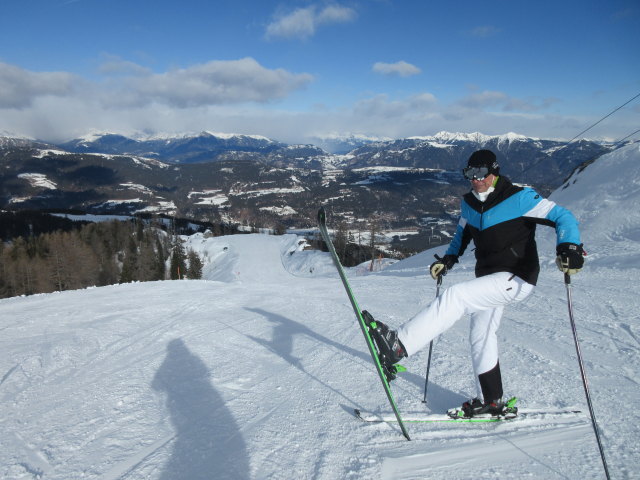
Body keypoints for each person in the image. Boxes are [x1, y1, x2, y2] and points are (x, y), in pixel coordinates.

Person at [368, 149, 585, 417]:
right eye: (469, 174)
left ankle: (399, 345)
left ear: (494, 172)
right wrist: (448, 259)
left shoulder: (520, 197)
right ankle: (491, 400)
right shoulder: (469, 203)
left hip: (517, 277)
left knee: (456, 297)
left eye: (481, 173)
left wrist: (569, 247)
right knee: (480, 336)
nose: (475, 179)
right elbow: (462, 234)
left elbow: (563, 216)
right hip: (489, 279)